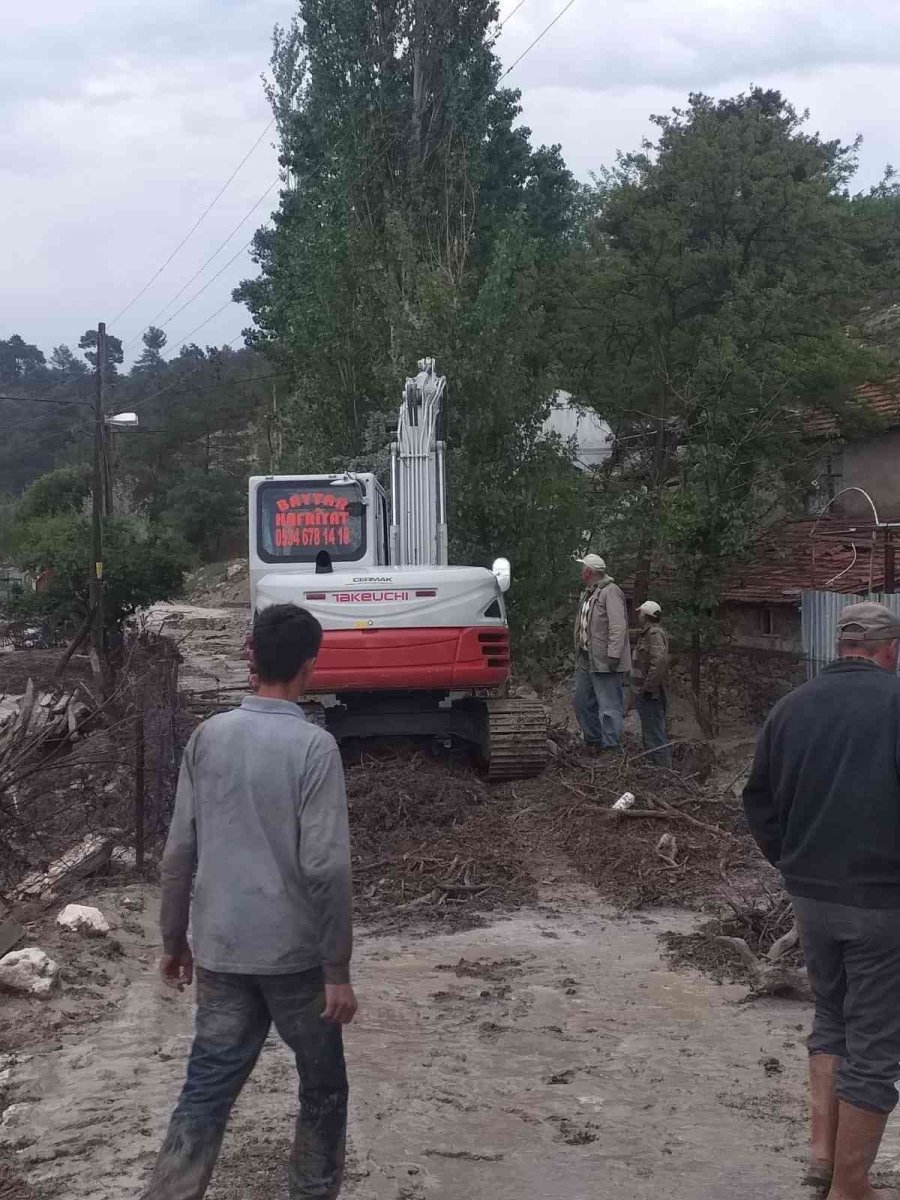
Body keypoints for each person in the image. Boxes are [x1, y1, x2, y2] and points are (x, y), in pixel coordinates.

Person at [143, 603, 355, 1200]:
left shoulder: (208, 738)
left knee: (206, 1089)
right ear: (310, 667)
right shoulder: (315, 749)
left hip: (222, 950)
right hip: (295, 958)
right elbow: (327, 866)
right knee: (322, 1088)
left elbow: (178, 852)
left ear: (250, 658)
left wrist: (171, 940)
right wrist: (337, 971)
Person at [743, 601, 900, 1200]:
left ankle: (822, 1162)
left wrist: (792, 861)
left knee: (831, 1018)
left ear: (842, 646)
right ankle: (852, 1186)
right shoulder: (895, 705)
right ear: (889, 650)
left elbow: (757, 799)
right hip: (882, 904)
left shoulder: (791, 708)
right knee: (876, 1042)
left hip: (811, 897)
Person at [572, 553, 631, 751]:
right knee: (581, 701)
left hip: (605, 658)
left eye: (583, 568)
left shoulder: (611, 592)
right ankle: (594, 741)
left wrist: (614, 654)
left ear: (589, 571)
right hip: (586, 656)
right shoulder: (588, 593)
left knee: (608, 705)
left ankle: (610, 747)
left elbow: (618, 626)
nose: (581, 571)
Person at [631, 599, 671, 767]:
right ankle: (655, 770)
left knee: (655, 734)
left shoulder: (654, 634)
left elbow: (660, 662)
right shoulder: (647, 634)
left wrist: (648, 688)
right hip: (644, 693)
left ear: (646, 615)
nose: (638, 616)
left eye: (640, 613)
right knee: (649, 733)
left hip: (650, 695)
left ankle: (664, 772)